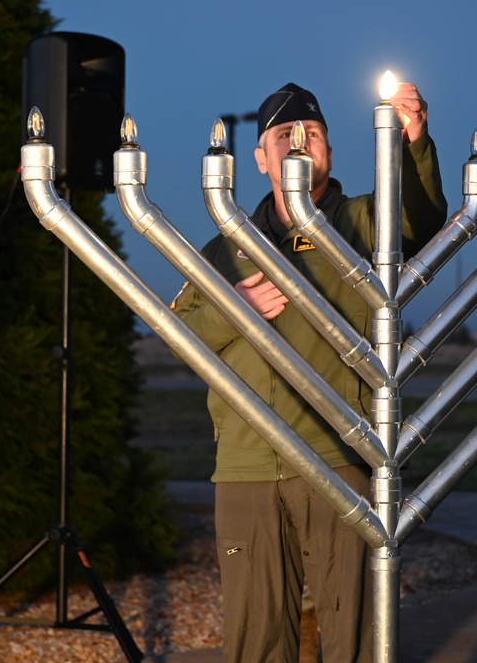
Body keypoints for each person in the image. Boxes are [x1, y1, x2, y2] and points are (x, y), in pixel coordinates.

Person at [172, 83, 447, 663]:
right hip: (246, 465)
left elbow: (419, 217)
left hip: (338, 459)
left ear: (329, 152)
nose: (300, 142)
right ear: (260, 159)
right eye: (283, 135)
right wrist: (234, 310)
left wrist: (413, 142)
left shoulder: (361, 225)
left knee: (355, 633)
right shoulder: (224, 246)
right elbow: (182, 336)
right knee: (255, 638)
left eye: (313, 134)